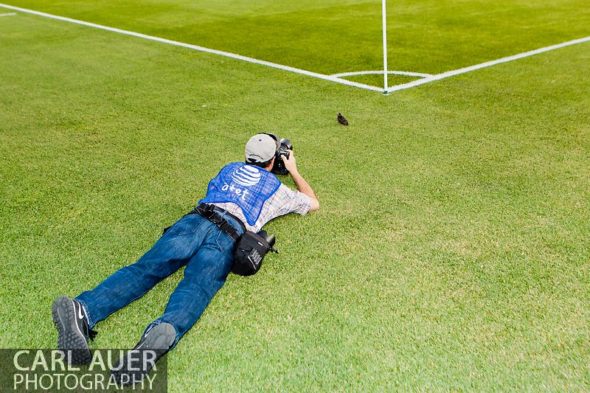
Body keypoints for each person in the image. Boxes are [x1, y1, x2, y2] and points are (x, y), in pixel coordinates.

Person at [51, 134, 319, 379]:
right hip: (228, 235)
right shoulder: (276, 188)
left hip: (195, 220)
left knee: (145, 269)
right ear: (273, 161)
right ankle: (165, 329)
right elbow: (312, 202)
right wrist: (293, 169)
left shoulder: (228, 168)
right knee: (197, 287)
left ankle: (83, 309)